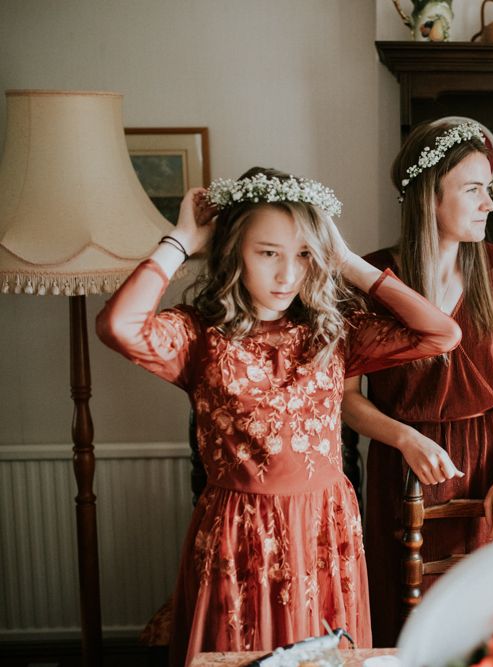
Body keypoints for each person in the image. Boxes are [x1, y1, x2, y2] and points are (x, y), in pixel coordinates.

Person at [96, 167, 462, 664]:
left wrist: (348, 260)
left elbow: (441, 334)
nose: (288, 274)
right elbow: (119, 325)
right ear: (233, 253)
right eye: (268, 253)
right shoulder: (197, 335)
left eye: (305, 256)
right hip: (237, 529)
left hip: (323, 527)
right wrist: (180, 240)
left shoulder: (334, 331)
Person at [341, 119, 493, 646]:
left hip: (484, 463)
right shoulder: (372, 279)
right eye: (474, 190)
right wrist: (403, 438)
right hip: (400, 468)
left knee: (484, 621)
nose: (489, 204)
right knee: (404, 616)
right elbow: (347, 401)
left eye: (488, 190)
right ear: (428, 196)